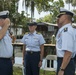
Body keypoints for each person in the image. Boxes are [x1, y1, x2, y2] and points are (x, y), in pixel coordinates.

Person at [56, 7, 76, 75]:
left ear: (65, 17)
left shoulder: (66, 31)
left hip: (65, 63)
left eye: (60, 16)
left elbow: (68, 52)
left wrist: (62, 69)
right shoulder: (65, 29)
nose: (58, 18)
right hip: (65, 62)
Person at [0, 10, 13, 75]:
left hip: (8, 61)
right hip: (1, 61)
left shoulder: (6, 31)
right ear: (1, 20)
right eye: (6, 19)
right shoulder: (2, 30)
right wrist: (6, 25)